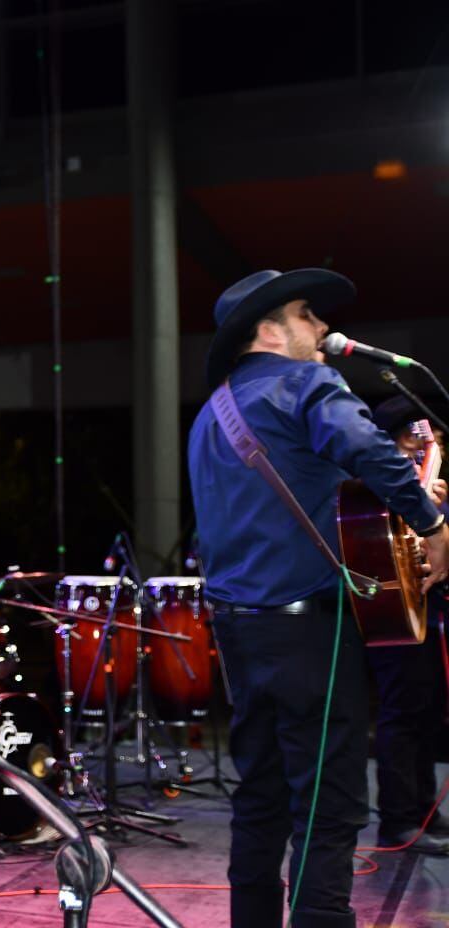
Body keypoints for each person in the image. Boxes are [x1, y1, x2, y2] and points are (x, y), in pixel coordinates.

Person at [187, 268, 449, 928]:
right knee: (328, 804)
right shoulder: (305, 381)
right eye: (308, 315)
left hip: (239, 631)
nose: (325, 328)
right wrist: (432, 524)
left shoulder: (208, 416)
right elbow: (368, 449)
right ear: (269, 331)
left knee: (262, 797)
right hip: (313, 631)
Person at [365, 395, 449, 853]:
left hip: (427, 606)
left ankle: (424, 812)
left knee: (427, 710)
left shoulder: (429, 481)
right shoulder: (379, 482)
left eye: (431, 437)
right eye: (410, 437)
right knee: (402, 711)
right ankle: (399, 820)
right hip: (394, 608)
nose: (424, 444)